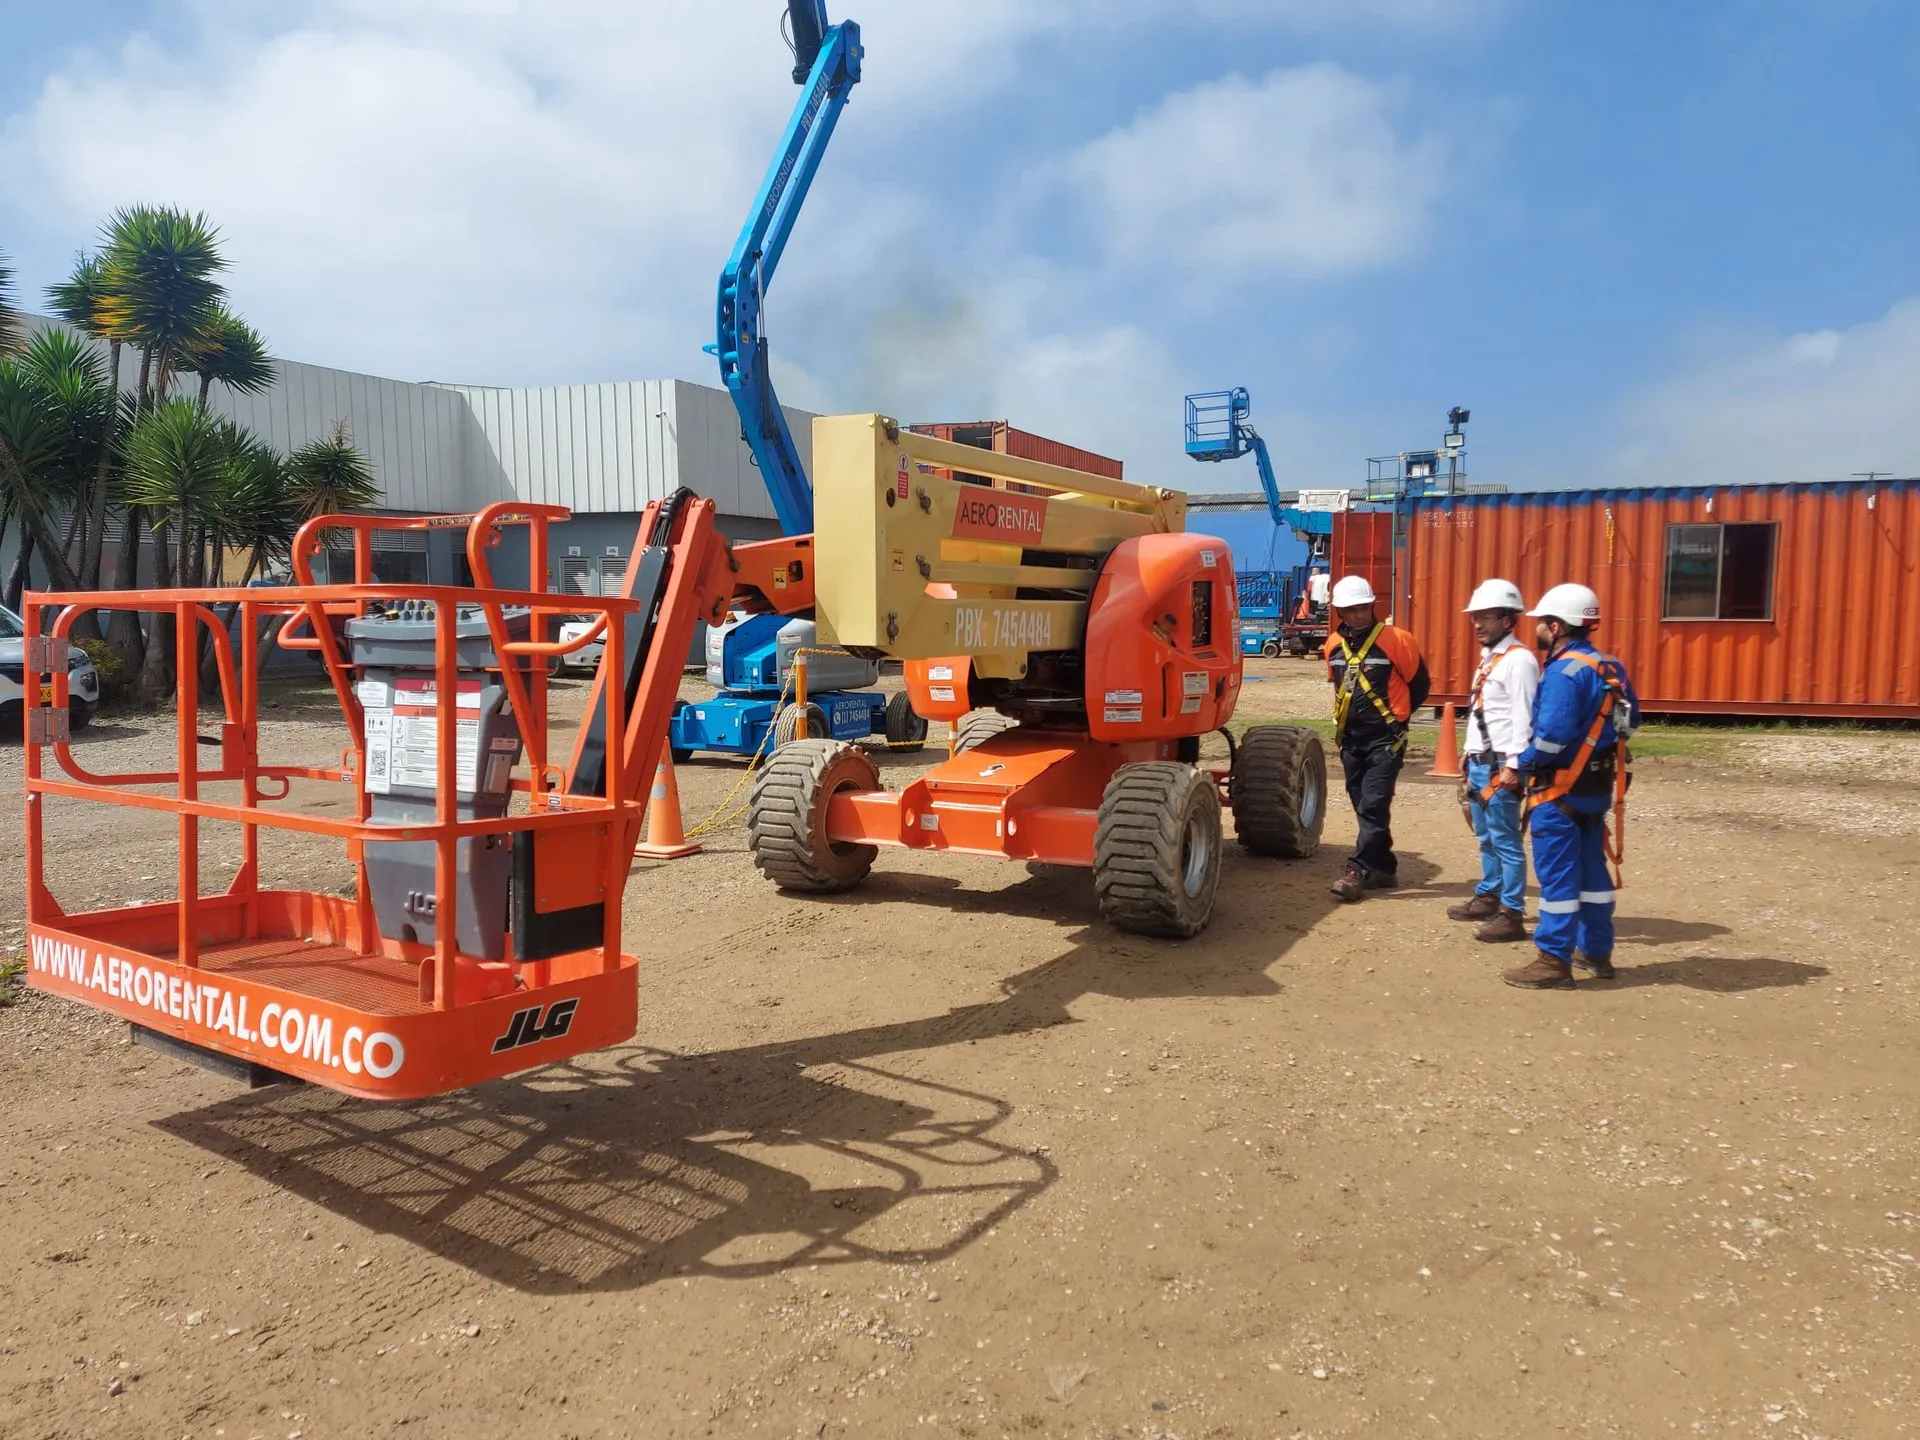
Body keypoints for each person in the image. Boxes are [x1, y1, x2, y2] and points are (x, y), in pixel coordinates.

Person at [1499, 583, 1640, 990]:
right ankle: (1596, 952)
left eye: (1542, 623)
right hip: (1595, 790)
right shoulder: (1609, 667)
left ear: (1557, 626)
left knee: (1558, 879)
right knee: (1593, 874)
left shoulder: (1563, 672)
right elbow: (1629, 724)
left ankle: (1553, 960)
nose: (1538, 629)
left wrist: (1519, 767)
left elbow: (1550, 738)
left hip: (1558, 792)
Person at [1322, 575, 1429, 902]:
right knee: (1362, 803)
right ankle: (1384, 865)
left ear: (1372, 606)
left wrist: (1397, 720)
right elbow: (1338, 686)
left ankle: (1357, 871)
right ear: (1340, 611)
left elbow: (1419, 685)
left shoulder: (1397, 640)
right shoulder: (1332, 646)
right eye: (1351, 609)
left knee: (1373, 803)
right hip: (1351, 741)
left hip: (1386, 740)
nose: (1358, 614)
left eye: (1363, 608)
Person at [1447, 579, 1540, 943]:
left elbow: (1524, 717)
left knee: (1506, 840)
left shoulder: (1519, 662)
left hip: (1502, 764)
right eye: (1476, 618)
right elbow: (1485, 714)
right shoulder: (1491, 660)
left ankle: (1511, 912)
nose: (1478, 624)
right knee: (1486, 835)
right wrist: (1468, 753)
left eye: (1486, 617)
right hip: (1481, 761)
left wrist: (1515, 766)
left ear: (1508, 619)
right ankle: (1490, 894)